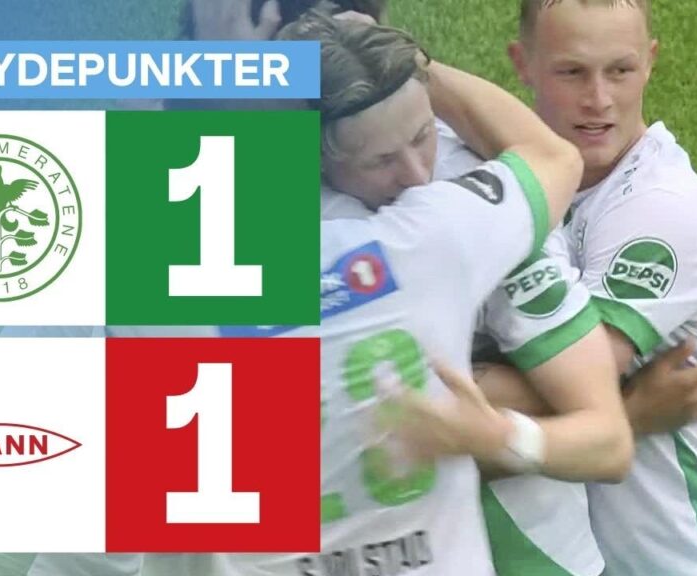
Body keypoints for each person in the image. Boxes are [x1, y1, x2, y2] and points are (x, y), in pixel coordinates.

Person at [218, 8, 583, 575]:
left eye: (421, 136)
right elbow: (555, 156)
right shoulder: (429, 234)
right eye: (382, 160)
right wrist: (417, 66)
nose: (416, 176)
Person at [502, 1, 697, 574]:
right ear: (522, 64)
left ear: (650, 62)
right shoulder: (538, 181)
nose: (599, 99)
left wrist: (439, 398)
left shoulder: (660, 206)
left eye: (620, 70)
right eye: (572, 72)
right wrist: (633, 412)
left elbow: (570, 380)